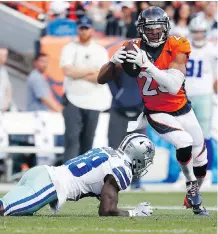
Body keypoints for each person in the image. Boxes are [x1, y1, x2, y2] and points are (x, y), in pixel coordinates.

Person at [97, 6, 209, 216]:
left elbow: (174, 85)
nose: (155, 33)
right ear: (142, 30)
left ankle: (194, 191)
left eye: (158, 29)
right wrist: (112, 62)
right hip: (157, 111)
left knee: (202, 159)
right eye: (150, 29)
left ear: (166, 28)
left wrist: (147, 66)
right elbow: (101, 79)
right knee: (184, 142)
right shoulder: (133, 48)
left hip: (183, 109)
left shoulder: (177, 45)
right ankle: (191, 186)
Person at [0, 133, 155, 217]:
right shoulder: (122, 169)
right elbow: (106, 210)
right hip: (49, 185)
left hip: (41, 174)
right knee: (3, 209)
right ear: (137, 155)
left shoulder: (108, 151)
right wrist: (133, 213)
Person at [60, 16, 111, 162]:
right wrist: (91, 70)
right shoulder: (69, 48)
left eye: (86, 28)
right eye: (81, 28)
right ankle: (67, 175)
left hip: (94, 100)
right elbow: (67, 71)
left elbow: (101, 77)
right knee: (71, 138)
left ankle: (84, 176)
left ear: (92, 30)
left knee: (88, 140)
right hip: (73, 98)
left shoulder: (100, 51)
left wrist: (78, 73)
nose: (83, 32)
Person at [185, 17, 217, 186]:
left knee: (205, 136)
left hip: (204, 94)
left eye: (201, 32)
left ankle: (208, 172)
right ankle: (187, 172)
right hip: (186, 95)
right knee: (185, 138)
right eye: (195, 32)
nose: (198, 35)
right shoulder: (184, 47)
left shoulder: (212, 50)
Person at [0, 47, 12, 112]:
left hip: (3, 109)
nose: (5, 58)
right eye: (3, 55)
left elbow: (8, 88)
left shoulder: (3, 70)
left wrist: (8, 102)